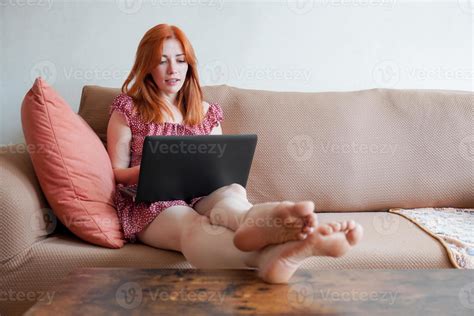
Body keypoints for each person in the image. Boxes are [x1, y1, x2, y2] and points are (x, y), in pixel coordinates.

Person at [107, 24, 363, 284]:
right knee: (193, 226)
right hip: (152, 203)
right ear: (147, 66)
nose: (173, 69)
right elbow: (116, 174)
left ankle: (263, 224)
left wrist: (209, 176)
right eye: (162, 62)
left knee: (231, 194)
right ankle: (268, 257)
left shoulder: (206, 112)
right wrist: (154, 171)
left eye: (180, 61)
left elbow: (218, 164)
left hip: (201, 194)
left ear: (189, 65)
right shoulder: (128, 109)